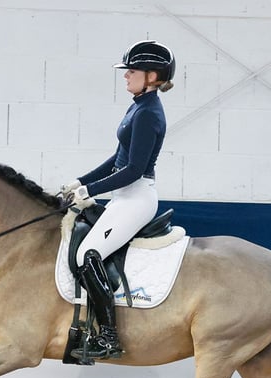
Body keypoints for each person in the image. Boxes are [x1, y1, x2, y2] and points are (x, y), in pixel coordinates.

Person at [61, 40, 175, 361]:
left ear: (152, 76)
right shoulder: (138, 105)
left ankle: (109, 338)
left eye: (132, 71)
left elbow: (133, 170)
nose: (126, 76)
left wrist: (90, 191)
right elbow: (117, 157)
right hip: (125, 196)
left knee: (88, 253)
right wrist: (80, 181)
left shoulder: (149, 113)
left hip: (136, 197)